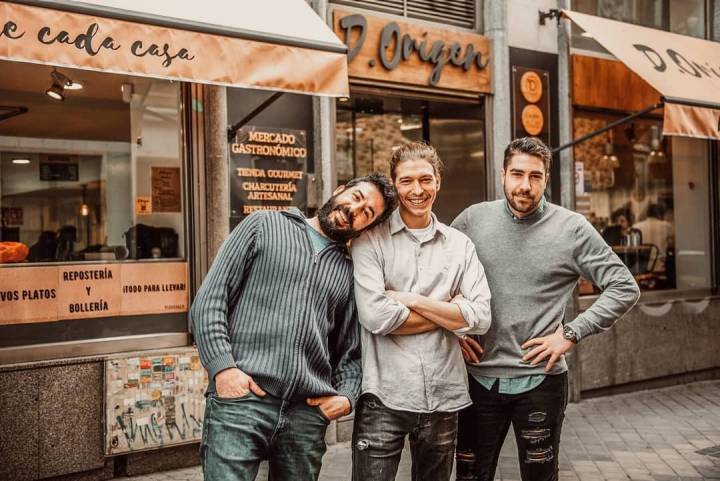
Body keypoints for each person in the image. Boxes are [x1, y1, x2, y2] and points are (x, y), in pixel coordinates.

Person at [452, 137, 640, 481]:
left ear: (547, 178)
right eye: (517, 174)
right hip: (476, 380)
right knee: (469, 476)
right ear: (503, 174)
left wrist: (571, 333)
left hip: (540, 381)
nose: (525, 186)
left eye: (535, 176)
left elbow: (624, 287)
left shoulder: (571, 229)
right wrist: (453, 331)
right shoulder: (472, 220)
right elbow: (437, 280)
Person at [191, 173, 396, 481]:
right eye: (356, 198)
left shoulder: (350, 270)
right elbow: (210, 301)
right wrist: (224, 369)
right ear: (340, 190)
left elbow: (351, 352)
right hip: (242, 402)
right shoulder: (263, 225)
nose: (355, 210)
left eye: (367, 213)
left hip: (306, 416)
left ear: (367, 226)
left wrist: (346, 397)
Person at [350, 142, 492, 481]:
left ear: (438, 181)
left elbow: (482, 316)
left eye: (426, 180)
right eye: (407, 181)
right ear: (395, 183)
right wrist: (451, 313)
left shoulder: (460, 245)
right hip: (383, 396)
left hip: (444, 396)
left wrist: (411, 301)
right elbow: (375, 317)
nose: (417, 190)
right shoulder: (370, 240)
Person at [633, 203, 673, 272]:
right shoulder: (666, 226)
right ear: (660, 214)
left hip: (640, 267)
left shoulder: (635, 226)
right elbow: (674, 244)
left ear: (647, 213)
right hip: (660, 266)